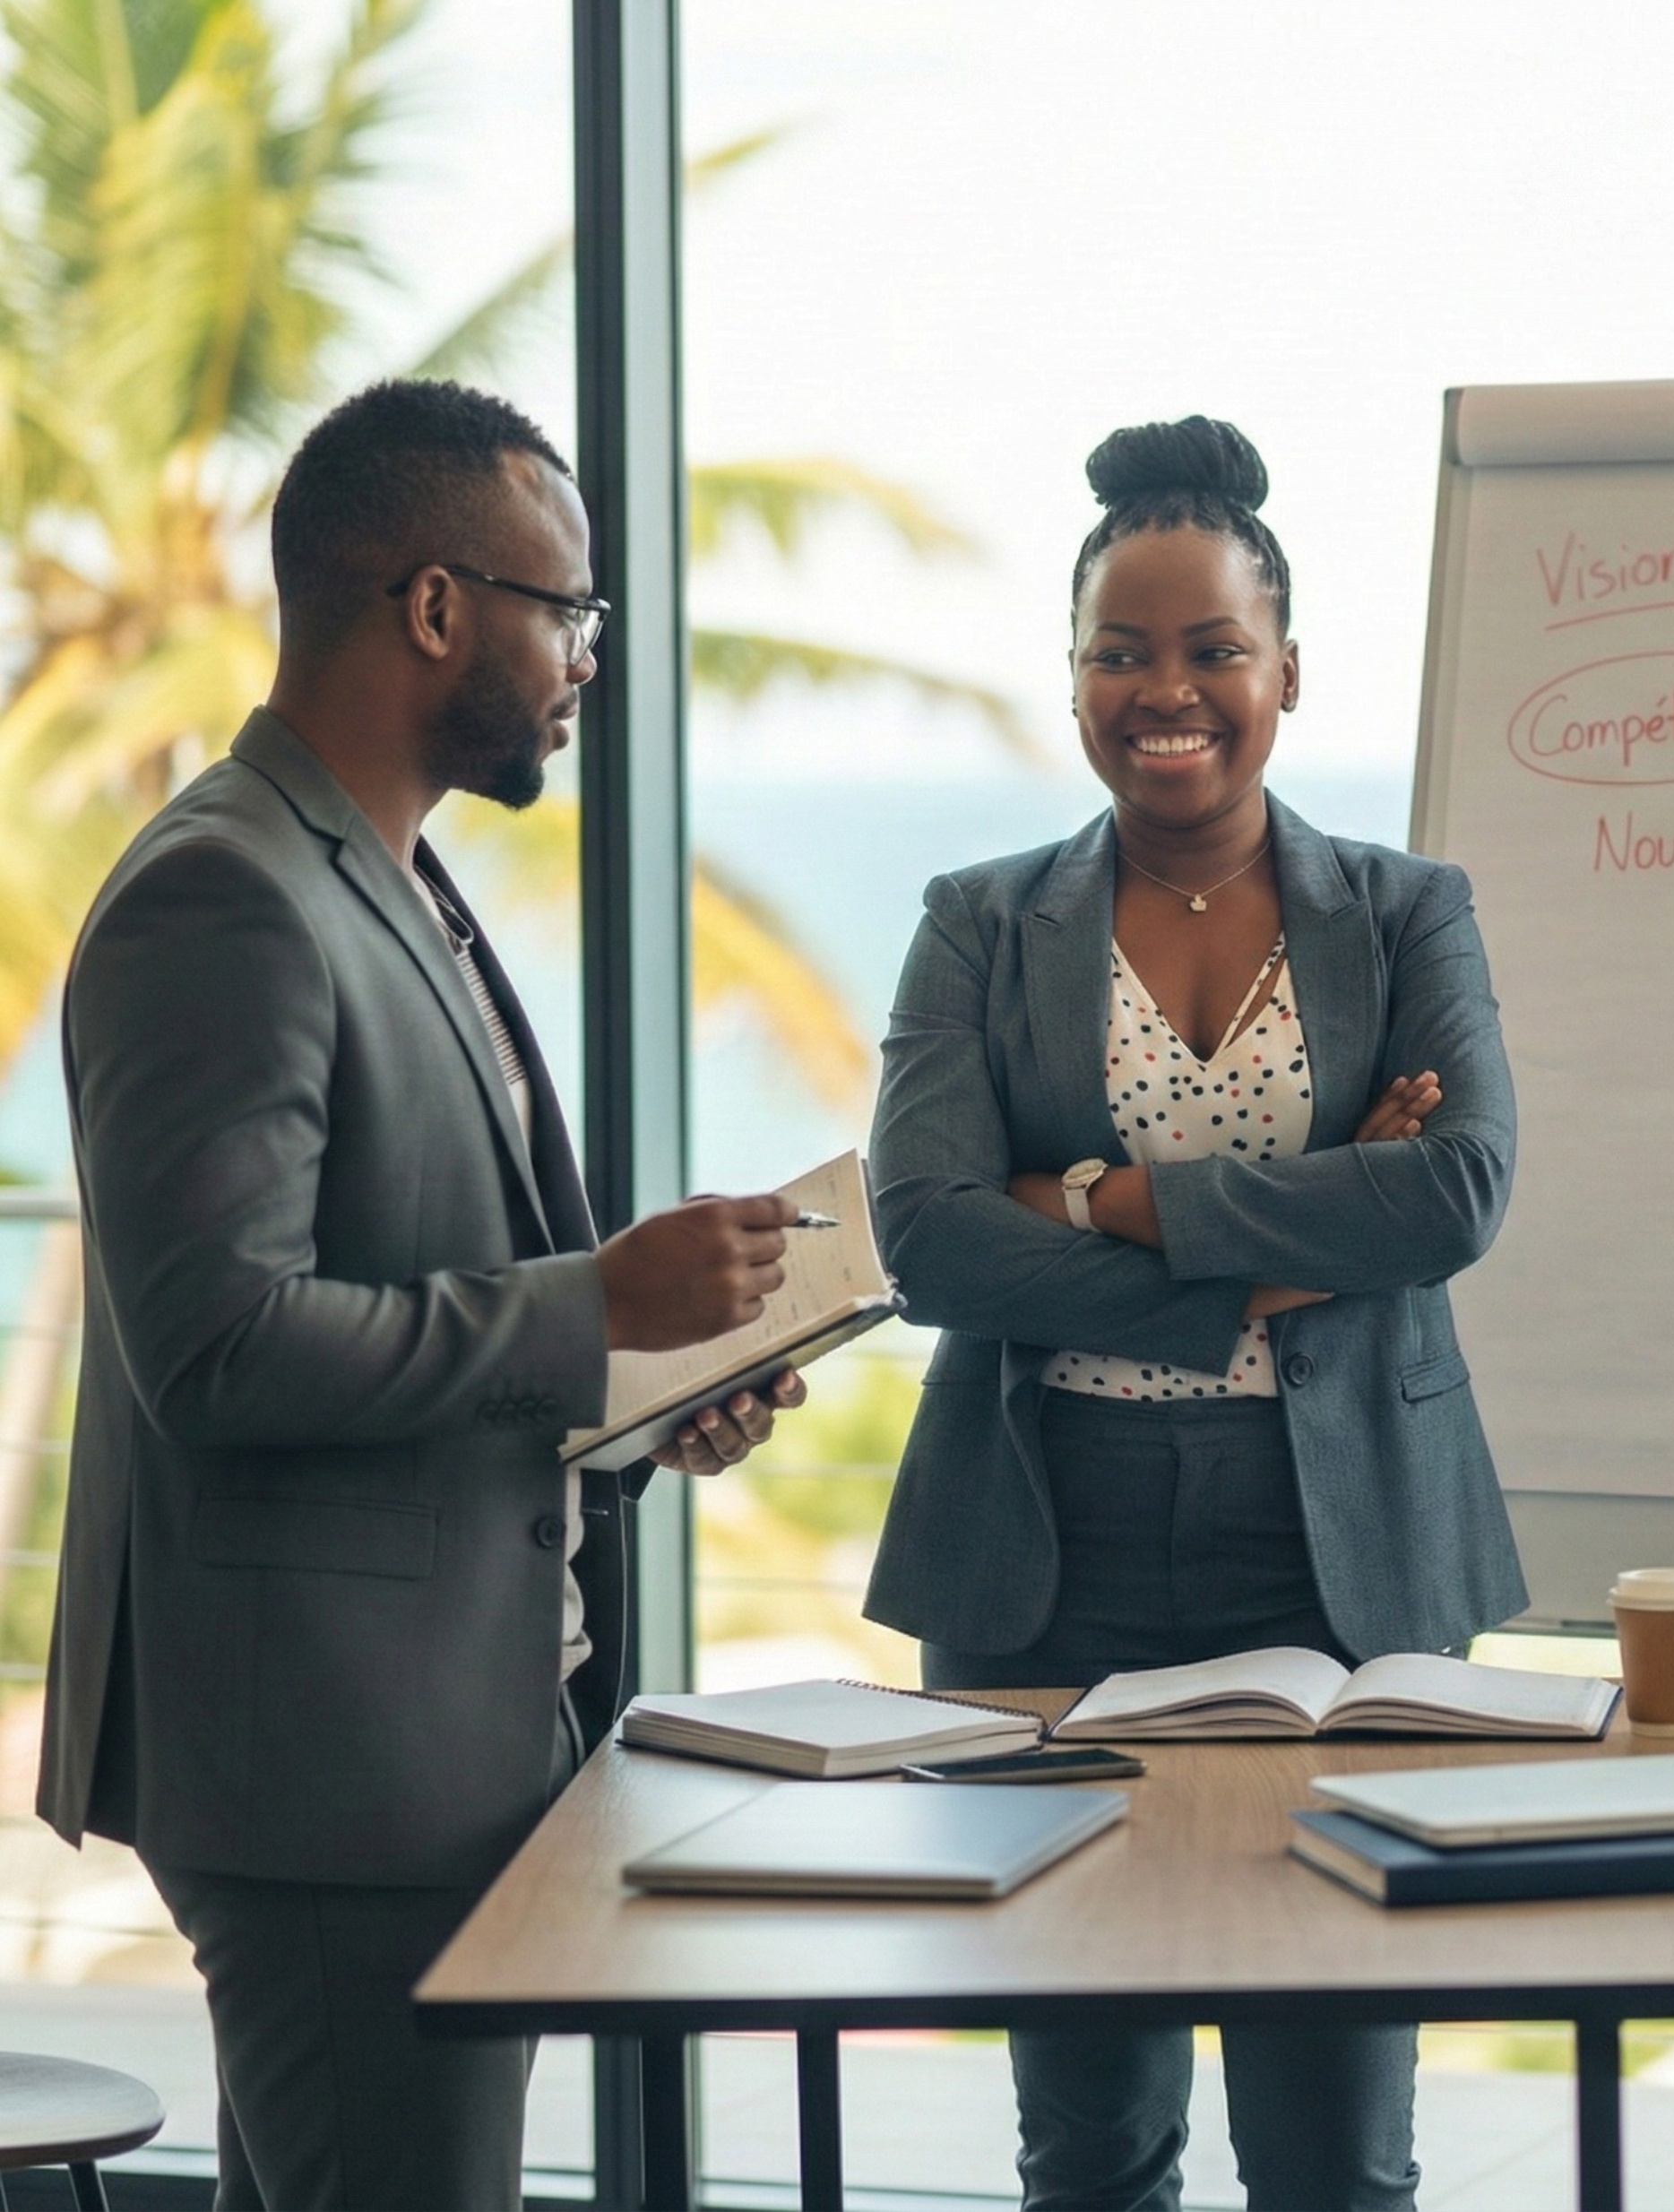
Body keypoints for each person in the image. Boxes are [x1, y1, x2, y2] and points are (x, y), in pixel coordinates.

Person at [39, 378, 804, 2212]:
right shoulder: (224, 895)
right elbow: (222, 1346)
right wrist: (588, 1307)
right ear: (440, 606)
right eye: (570, 609)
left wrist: (632, 1400)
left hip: (428, 1746)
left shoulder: (393, 882)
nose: (587, 657)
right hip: (332, 1770)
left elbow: (417, 1301)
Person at [864, 415, 1526, 2211]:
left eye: (1213, 648)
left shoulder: (1406, 913)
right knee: (1089, 2144)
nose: (1166, 691)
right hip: (1047, 1546)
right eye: (1121, 652)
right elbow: (927, 1240)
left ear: (1285, 670)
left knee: (1337, 2146)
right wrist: (1283, 1248)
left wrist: (1094, 1197)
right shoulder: (977, 922)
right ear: (1074, 675)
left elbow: (1456, 1193)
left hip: (1339, 1550)